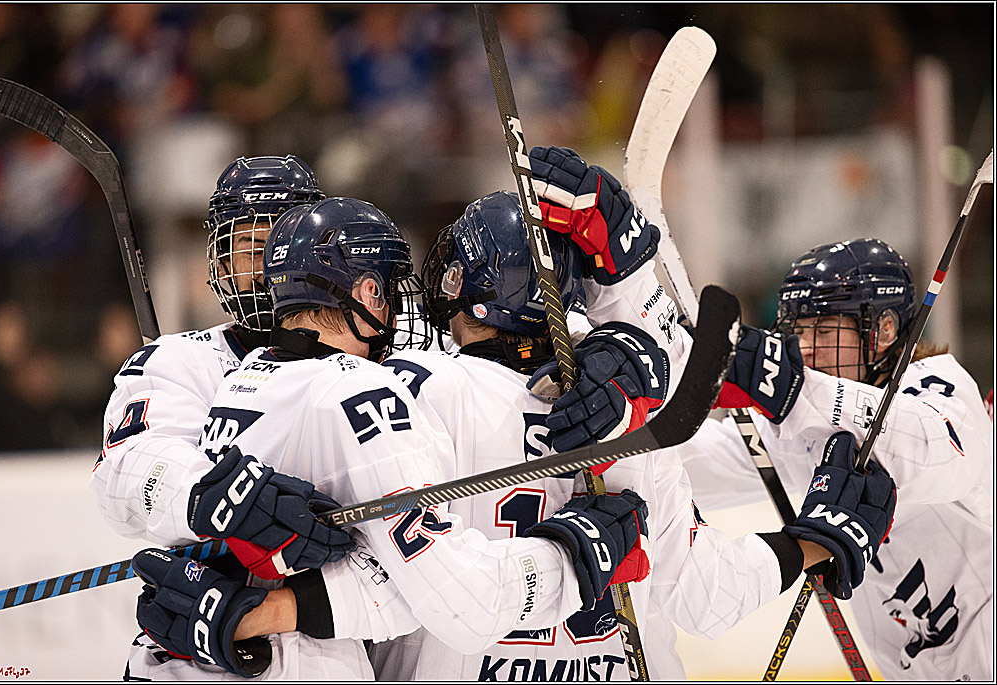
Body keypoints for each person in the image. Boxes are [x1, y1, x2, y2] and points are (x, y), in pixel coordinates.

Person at [133, 190, 897, 681]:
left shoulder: (404, 392)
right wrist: (813, 543)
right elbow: (701, 593)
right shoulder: (638, 421)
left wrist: (238, 592)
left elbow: (374, 583)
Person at [129, 195, 653, 680]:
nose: (401, 312)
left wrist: (262, 612)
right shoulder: (360, 394)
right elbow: (461, 602)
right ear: (366, 292)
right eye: (390, 288)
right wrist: (578, 552)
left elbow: (380, 580)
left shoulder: (241, 381)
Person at [92, 156, 395, 679]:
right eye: (247, 247)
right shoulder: (179, 360)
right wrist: (212, 495)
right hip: (196, 659)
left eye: (279, 243)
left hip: (330, 653)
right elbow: (126, 474)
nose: (263, 265)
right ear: (219, 258)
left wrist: (590, 342)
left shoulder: (380, 358)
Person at [672, 238, 993, 681]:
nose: (805, 349)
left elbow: (938, 450)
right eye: (799, 332)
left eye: (823, 332)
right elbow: (696, 459)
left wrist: (786, 386)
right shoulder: (806, 427)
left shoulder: (938, 385)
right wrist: (627, 409)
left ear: (881, 331)